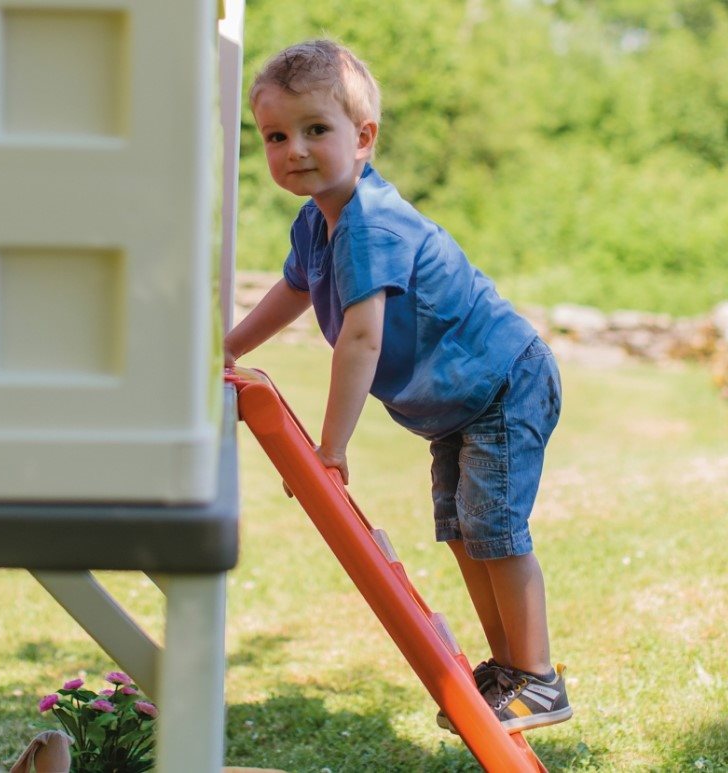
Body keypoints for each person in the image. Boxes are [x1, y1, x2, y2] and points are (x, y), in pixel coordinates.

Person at [224, 39, 572, 732]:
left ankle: (538, 678)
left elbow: (361, 336)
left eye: (316, 129)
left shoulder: (371, 223)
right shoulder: (315, 223)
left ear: (364, 137)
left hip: (504, 382)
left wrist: (330, 447)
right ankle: (508, 670)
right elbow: (293, 292)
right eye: (275, 135)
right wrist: (223, 347)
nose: (294, 148)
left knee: (495, 528)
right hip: (460, 405)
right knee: (465, 532)